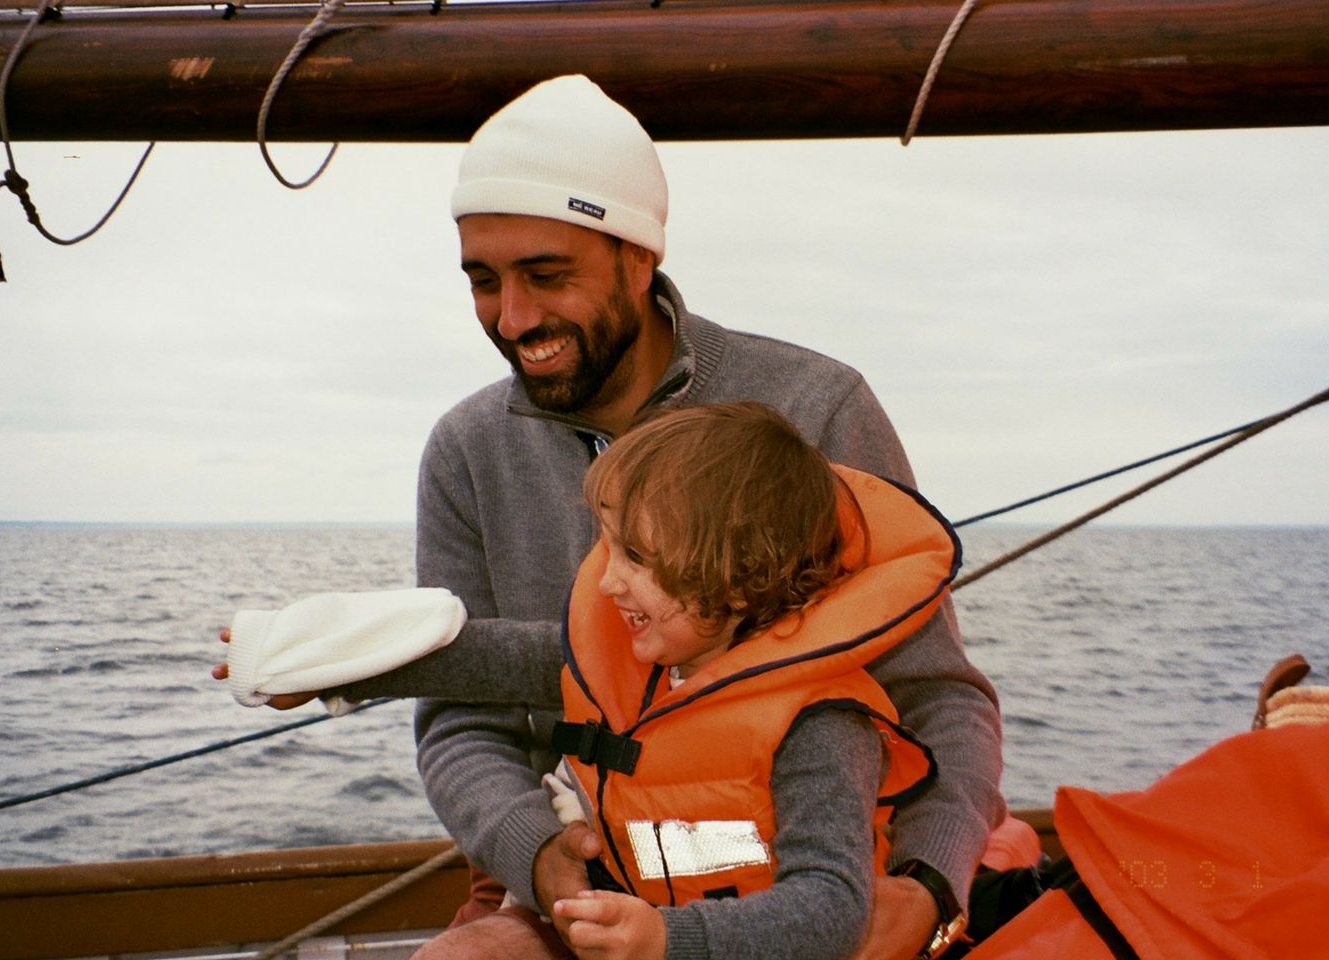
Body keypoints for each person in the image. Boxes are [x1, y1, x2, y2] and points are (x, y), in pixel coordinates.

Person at [227, 73, 1005, 959]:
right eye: (483, 281)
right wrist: (540, 856)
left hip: (797, 878)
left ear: (640, 260)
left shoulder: (816, 409)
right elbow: (468, 701)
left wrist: (929, 890)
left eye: (545, 276)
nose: (512, 318)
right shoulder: (465, 448)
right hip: (570, 852)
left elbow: (938, 697)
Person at [449, 400, 958, 960]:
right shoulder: (640, 657)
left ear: (737, 581)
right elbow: (493, 656)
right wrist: (357, 664)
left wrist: (668, 939)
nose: (607, 583)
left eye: (636, 556)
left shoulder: (821, 724)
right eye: (608, 548)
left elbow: (831, 908)